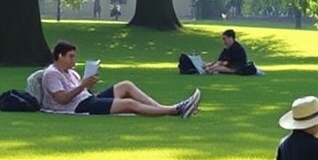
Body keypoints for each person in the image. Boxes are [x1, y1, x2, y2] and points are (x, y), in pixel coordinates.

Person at [41, 40, 200, 117]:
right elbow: (62, 99)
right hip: (78, 107)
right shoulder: (52, 74)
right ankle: (176, 109)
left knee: (126, 85)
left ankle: (161, 108)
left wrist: (88, 84)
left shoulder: (71, 72)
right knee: (129, 104)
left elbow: (81, 91)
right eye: (71, 56)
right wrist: (83, 85)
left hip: (87, 99)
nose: (74, 60)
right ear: (59, 56)